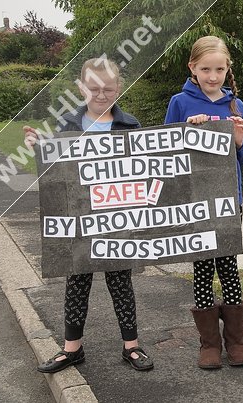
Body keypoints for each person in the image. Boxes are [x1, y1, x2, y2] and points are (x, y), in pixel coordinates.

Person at [24, 58, 154, 373]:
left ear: (119, 88)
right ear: (82, 87)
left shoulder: (130, 125)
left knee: (120, 281)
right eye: (93, 87)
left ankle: (132, 346)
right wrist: (39, 149)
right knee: (77, 280)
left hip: (117, 218)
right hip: (79, 219)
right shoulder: (67, 124)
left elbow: (144, 169)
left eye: (108, 88)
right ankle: (72, 349)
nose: (100, 94)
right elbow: (55, 171)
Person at [164, 35, 243, 369]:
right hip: (194, 200)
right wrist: (186, 129)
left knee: (228, 268)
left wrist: (239, 141)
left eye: (219, 69)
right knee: (202, 269)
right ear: (192, 68)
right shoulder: (180, 102)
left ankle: (237, 342)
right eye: (205, 69)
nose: (212, 76)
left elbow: (242, 159)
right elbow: (166, 150)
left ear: (227, 69)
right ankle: (209, 345)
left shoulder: (235, 106)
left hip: (229, 199)